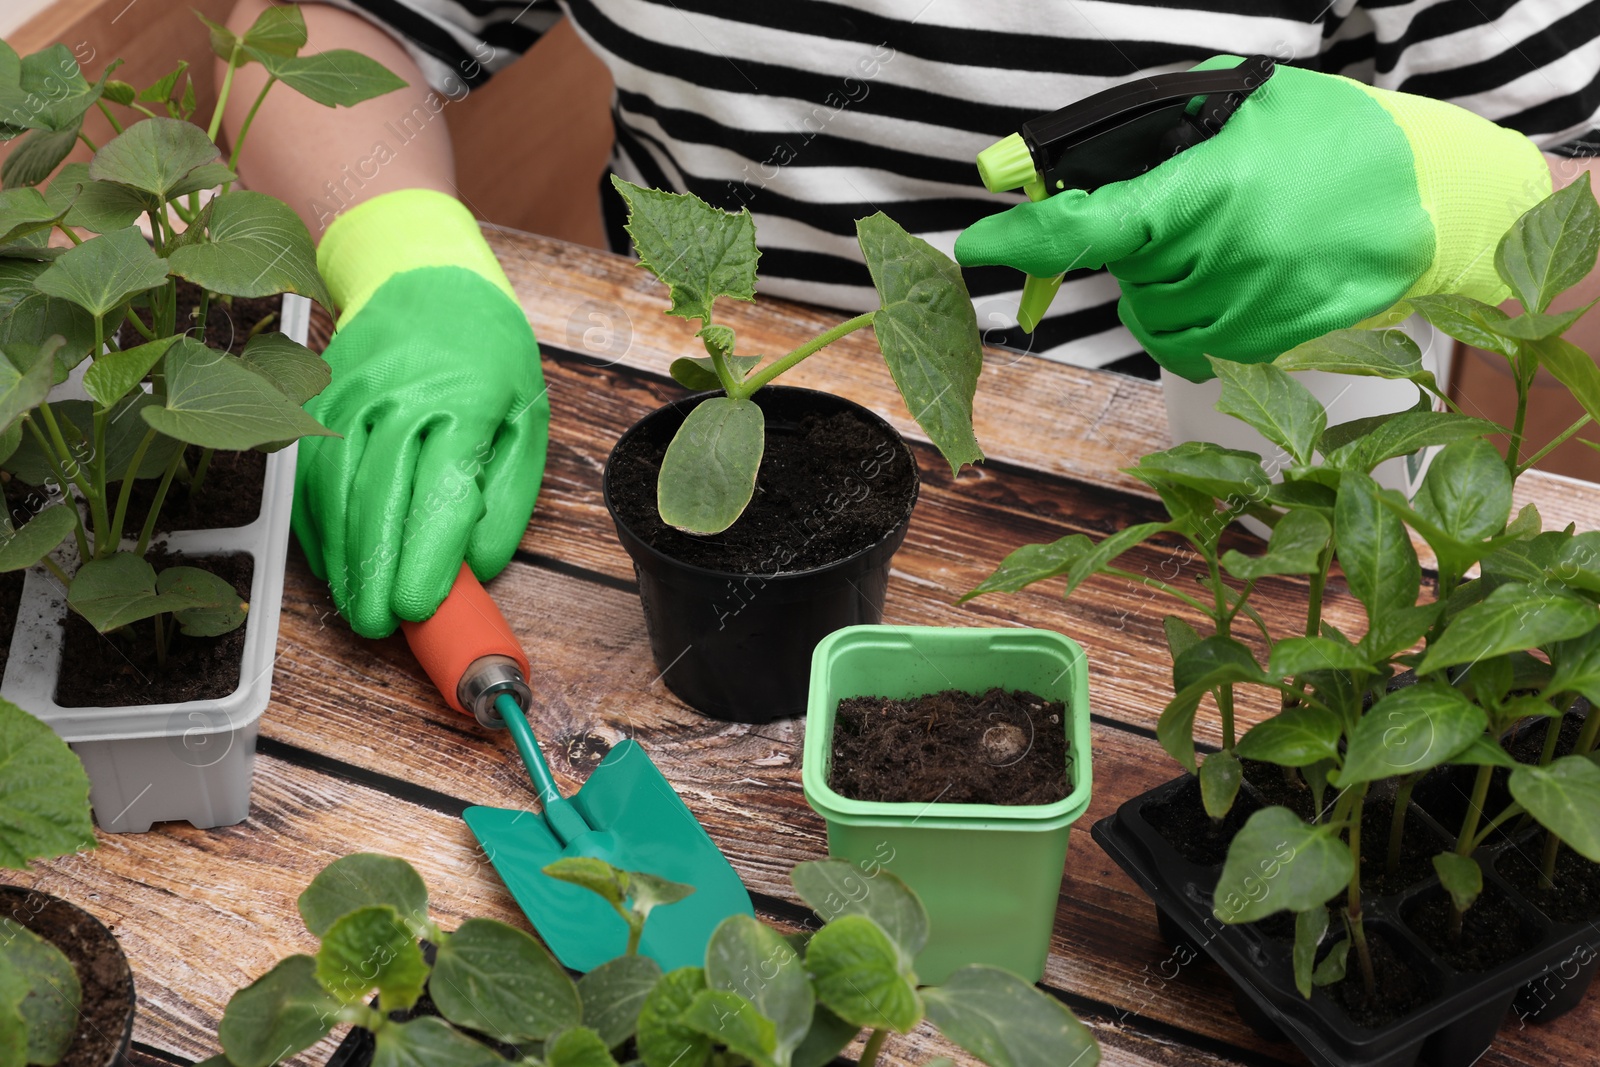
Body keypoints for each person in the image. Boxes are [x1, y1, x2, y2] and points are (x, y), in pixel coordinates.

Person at [220, 0, 1600, 638]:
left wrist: (1479, 202)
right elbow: (311, 28)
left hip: (1175, 507)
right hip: (638, 443)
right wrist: (402, 256)